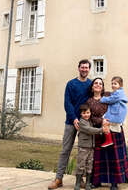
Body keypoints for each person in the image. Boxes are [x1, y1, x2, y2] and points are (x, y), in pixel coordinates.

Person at [48, 59, 92, 190]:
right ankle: (58, 179)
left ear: (89, 69)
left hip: (85, 124)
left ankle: (81, 180)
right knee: (65, 150)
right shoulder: (71, 84)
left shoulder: (90, 84)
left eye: (86, 67)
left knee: (84, 152)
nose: (84, 69)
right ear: (78, 68)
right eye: (82, 67)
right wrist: (74, 119)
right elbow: (67, 103)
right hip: (71, 122)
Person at [86, 77, 128, 190]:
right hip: (100, 131)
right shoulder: (89, 101)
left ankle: (114, 183)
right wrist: (102, 121)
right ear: (92, 86)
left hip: (114, 129)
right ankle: (97, 181)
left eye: (100, 83)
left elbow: (120, 104)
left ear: (103, 86)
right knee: (99, 157)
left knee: (114, 156)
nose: (98, 85)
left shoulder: (109, 95)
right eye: (96, 83)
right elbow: (90, 117)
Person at [74, 104, 109, 190]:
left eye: (88, 112)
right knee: (81, 165)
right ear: (81, 114)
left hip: (91, 147)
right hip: (83, 147)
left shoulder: (90, 121)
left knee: (89, 165)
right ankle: (78, 183)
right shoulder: (81, 122)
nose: (86, 115)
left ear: (90, 113)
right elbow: (89, 130)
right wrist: (101, 130)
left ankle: (88, 183)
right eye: (84, 113)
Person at [100, 76, 128, 148]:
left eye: (115, 84)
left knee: (105, 122)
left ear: (120, 85)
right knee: (105, 122)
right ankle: (108, 139)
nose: (113, 85)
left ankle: (108, 140)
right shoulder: (117, 92)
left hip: (116, 114)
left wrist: (102, 99)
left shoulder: (118, 93)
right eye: (112, 83)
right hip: (116, 112)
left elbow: (111, 100)